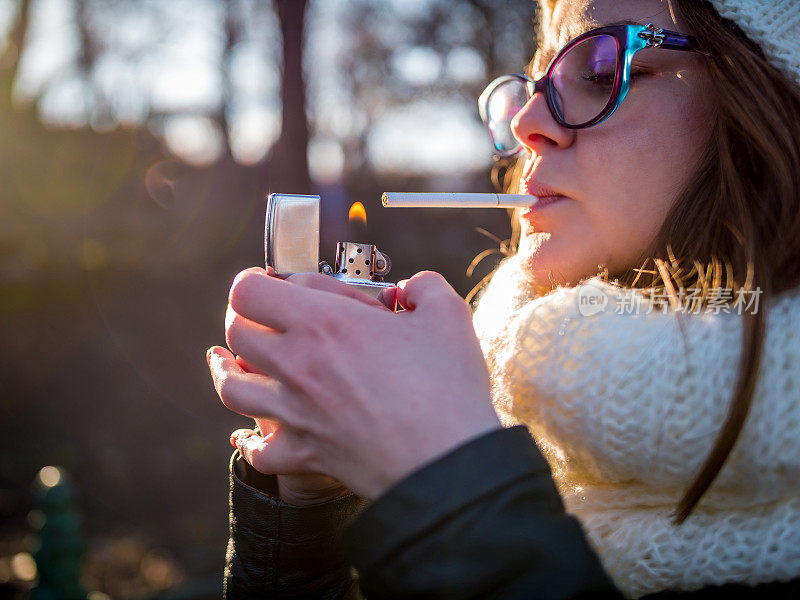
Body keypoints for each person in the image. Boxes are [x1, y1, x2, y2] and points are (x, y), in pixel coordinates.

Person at [206, 0, 800, 597]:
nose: (527, 123)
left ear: (765, 89)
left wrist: (446, 476)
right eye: (535, 85)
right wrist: (312, 508)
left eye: (598, 70)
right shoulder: (517, 383)